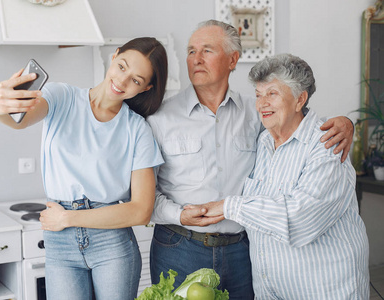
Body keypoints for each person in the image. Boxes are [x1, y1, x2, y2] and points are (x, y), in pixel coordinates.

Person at [146, 20, 354, 299]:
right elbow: (144, 196)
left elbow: (295, 121)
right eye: (191, 51)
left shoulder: (256, 114)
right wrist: (179, 214)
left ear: (233, 60)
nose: (196, 59)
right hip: (179, 246)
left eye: (207, 50)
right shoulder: (159, 117)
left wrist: (344, 123)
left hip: (241, 252)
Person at [0, 37, 168, 300]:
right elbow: (19, 121)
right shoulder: (62, 97)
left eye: (136, 80)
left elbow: (141, 210)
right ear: (114, 56)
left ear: (146, 87)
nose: (122, 81)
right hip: (60, 242)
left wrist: (68, 218)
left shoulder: (137, 129)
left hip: (111, 243)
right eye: (123, 67)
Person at [194, 53, 370, 299]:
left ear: (300, 100)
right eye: (258, 95)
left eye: (272, 94)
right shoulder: (264, 140)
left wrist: (230, 207)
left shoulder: (327, 146)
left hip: (325, 291)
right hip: (271, 291)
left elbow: (300, 221)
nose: (261, 104)